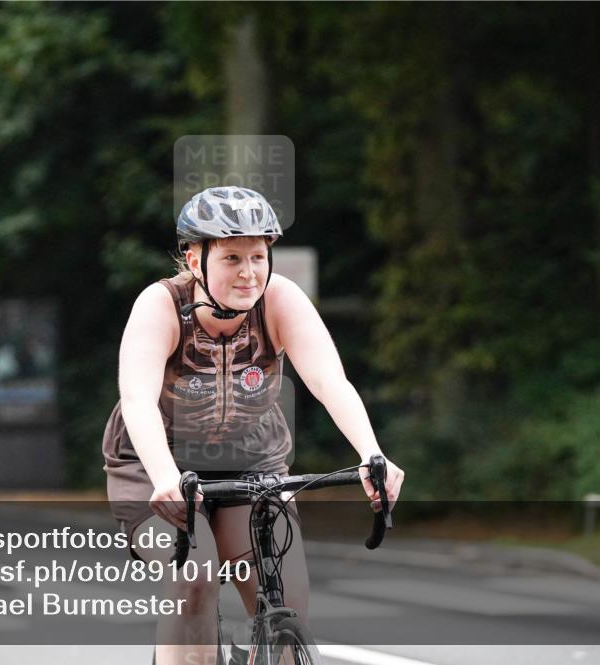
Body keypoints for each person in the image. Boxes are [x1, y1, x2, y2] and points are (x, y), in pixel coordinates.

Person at [101, 186, 405, 664]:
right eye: (231, 258)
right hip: (152, 466)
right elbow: (137, 399)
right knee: (194, 580)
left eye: (259, 256)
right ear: (195, 259)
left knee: (286, 600)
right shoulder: (159, 306)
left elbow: (330, 381)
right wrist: (164, 478)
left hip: (251, 463)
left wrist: (373, 455)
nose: (249, 272)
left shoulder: (280, 300)